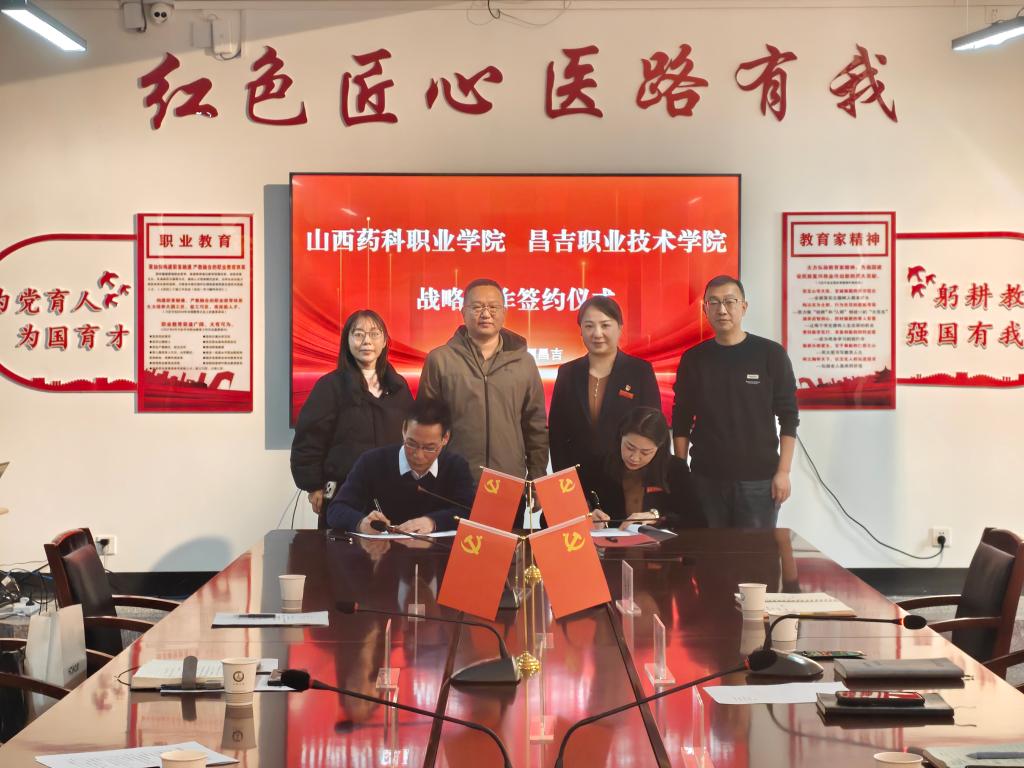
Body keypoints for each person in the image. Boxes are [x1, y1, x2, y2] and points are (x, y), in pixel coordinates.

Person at [672, 275, 799, 529]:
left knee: (754, 552)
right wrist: (680, 473)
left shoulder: (770, 354)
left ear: (744, 306)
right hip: (705, 479)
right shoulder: (694, 359)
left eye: (730, 301)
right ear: (705, 309)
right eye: (714, 302)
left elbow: (788, 417)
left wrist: (783, 472)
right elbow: (681, 418)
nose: (722, 310)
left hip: (759, 481)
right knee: (708, 552)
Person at [291, 310, 413, 528]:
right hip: (343, 491)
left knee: (391, 547)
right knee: (340, 548)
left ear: (385, 341)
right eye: (358, 334)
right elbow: (309, 439)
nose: (367, 341)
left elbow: (411, 438)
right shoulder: (330, 386)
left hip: (392, 491)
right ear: (347, 341)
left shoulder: (398, 387)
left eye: (374, 334)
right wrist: (314, 486)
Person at [418, 278, 548, 483]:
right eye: (477, 307)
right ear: (463, 312)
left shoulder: (524, 362)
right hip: (453, 479)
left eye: (493, 307)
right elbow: (426, 424)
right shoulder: (440, 360)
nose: (486, 314)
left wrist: (537, 476)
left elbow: (535, 425)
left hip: (509, 479)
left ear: (504, 312)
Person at [548, 295, 660, 488]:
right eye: (589, 326)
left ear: (620, 328)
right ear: (581, 330)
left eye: (605, 325)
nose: (597, 333)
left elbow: (654, 429)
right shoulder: (567, 372)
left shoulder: (640, 371)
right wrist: (563, 482)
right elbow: (557, 434)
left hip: (627, 479)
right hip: (578, 480)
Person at [325, 398, 475, 533]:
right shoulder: (372, 462)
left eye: (429, 448)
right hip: (380, 552)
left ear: (445, 438)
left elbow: (469, 512)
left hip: (435, 553)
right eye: (411, 444)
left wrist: (433, 522)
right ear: (404, 430)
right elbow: (336, 510)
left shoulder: (456, 466)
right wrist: (360, 523)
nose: (418, 455)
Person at [587, 407, 700, 529]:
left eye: (645, 452)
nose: (635, 458)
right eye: (629, 447)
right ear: (620, 437)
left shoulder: (675, 470)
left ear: (659, 448)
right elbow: (578, 507)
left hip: (658, 540)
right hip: (609, 538)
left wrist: (656, 517)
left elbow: (695, 519)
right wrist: (588, 515)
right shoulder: (600, 466)